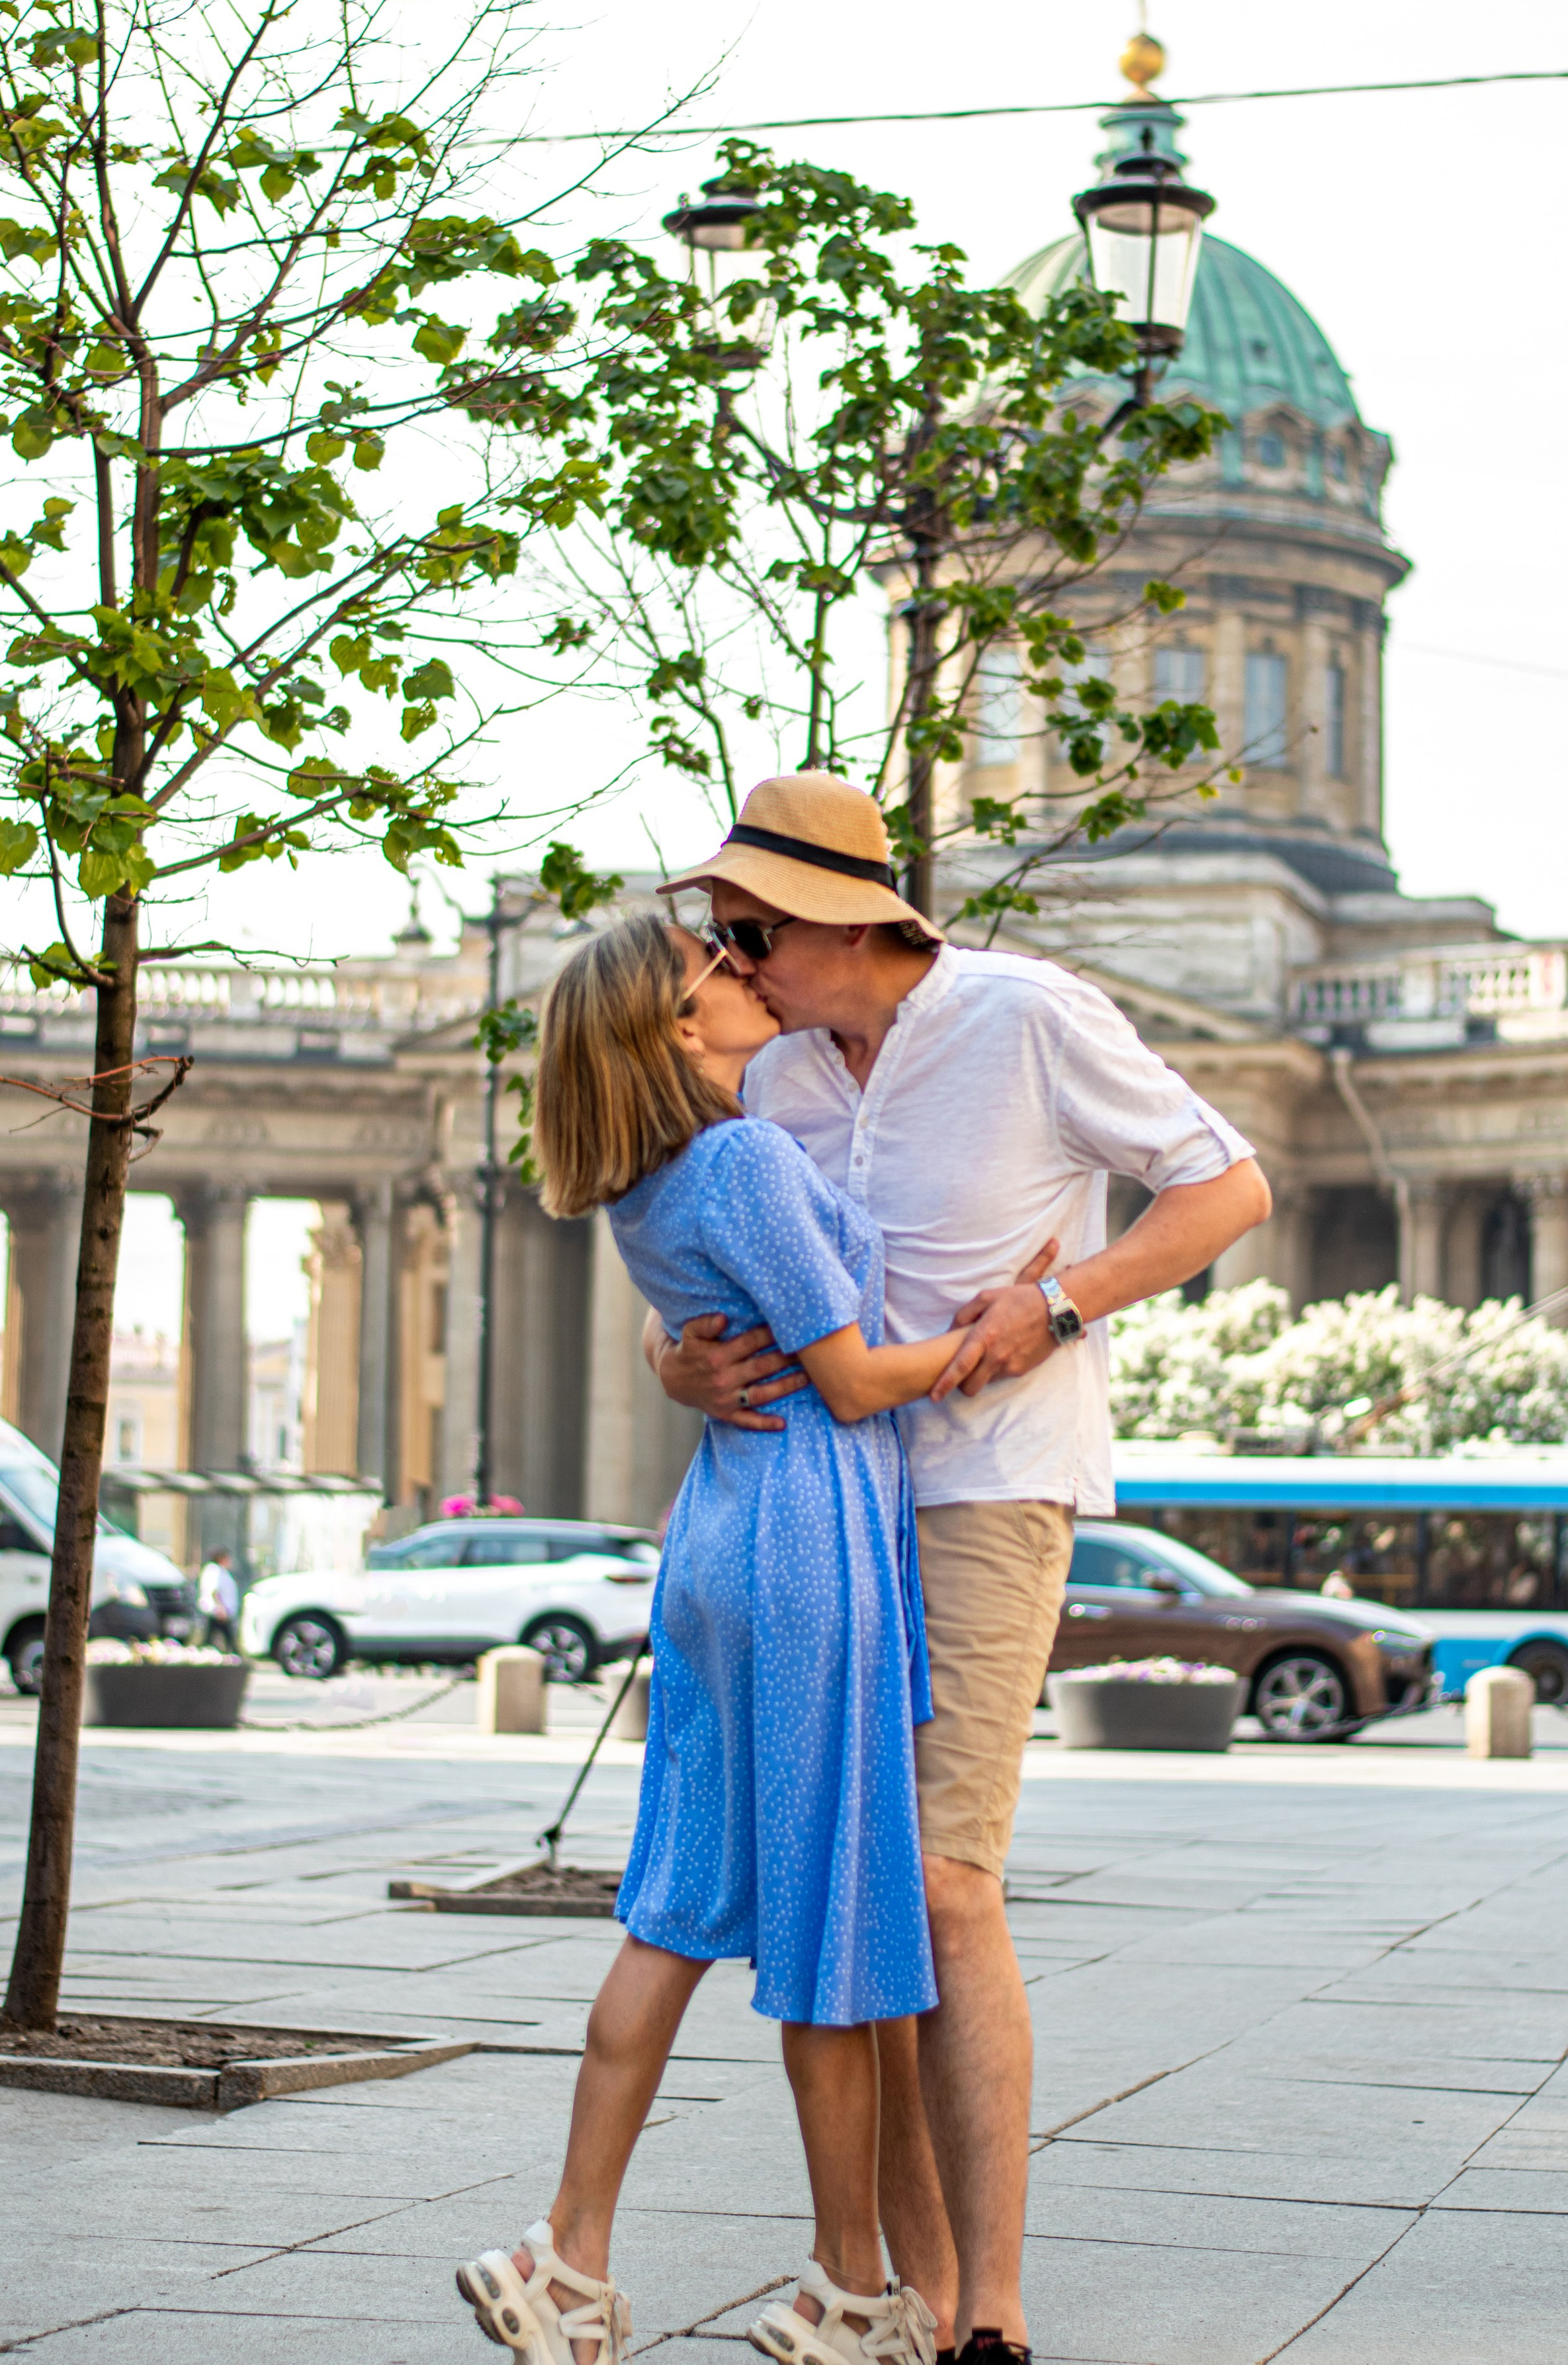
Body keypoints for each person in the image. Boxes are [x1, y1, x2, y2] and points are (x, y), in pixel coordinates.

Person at [648, 772, 1272, 2365]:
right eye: (720, 931)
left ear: (833, 918)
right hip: (812, 1498)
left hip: (988, 1485)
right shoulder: (771, 1072)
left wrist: (1060, 1305)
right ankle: (912, 2294)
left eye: (744, 927)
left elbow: (1224, 1184)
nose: (724, 957)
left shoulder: (1024, 1014)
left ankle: (987, 2301)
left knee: (942, 1877)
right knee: (858, 1896)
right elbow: (705, 1262)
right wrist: (675, 1359)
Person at [458, 914, 1040, 2365]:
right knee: (834, 1924)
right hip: (809, 1540)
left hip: (717, 1536)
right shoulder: (744, 1158)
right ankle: (851, 2292)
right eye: (714, 968)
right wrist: (1028, 1320)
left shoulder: (644, 1185)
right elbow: (850, 1381)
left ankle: (567, 2257)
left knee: (672, 1907)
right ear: (676, 1025)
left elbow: (743, 1342)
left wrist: (680, 1361)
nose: (741, 973)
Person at [196, 1547, 239, 1653]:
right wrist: (221, 1608)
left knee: (210, 1638)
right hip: (217, 1612)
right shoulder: (215, 1571)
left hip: (219, 1612)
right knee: (225, 1638)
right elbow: (215, 1591)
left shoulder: (218, 1571)